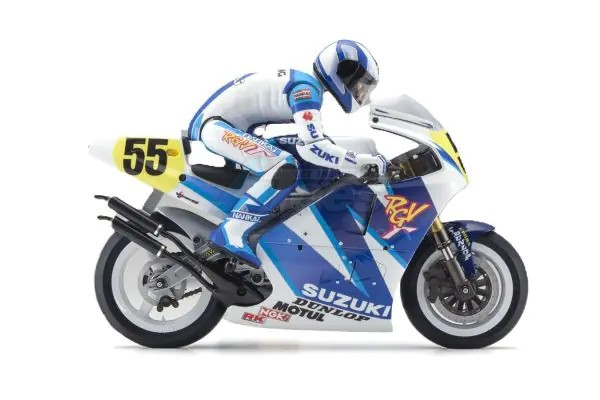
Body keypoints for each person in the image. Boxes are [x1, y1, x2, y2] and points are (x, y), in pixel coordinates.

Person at [188, 39, 386, 266]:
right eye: (359, 84)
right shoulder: (306, 91)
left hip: (223, 127)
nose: (360, 92)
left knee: (283, 162)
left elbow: (309, 144)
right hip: (216, 128)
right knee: (285, 167)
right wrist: (357, 161)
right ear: (342, 72)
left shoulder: (306, 85)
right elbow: (313, 147)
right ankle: (231, 232)